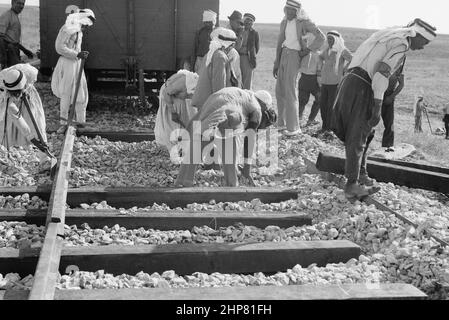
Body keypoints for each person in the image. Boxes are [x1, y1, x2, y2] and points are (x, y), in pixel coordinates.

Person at [331, 18, 436, 200]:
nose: (423, 47)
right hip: (363, 86)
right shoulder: (401, 44)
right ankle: (352, 185)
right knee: (359, 132)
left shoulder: (388, 37)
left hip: (351, 81)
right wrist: (378, 105)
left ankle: (361, 173)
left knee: (366, 133)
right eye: (424, 42)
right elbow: (381, 73)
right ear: (416, 35)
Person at [175, 88, 277, 187]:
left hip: (211, 104)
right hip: (230, 115)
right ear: (264, 105)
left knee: (198, 145)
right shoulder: (257, 108)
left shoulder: (241, 94)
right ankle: (232, 184)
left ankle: (182, 181)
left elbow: (197, 117)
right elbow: (250, 138)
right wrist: (247, 168)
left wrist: (184, 137)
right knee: (228, 148)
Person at [273, 0, 325, 136]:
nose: (288, 12)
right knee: (280, 90)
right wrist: (276, 63)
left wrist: (307, 50)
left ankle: (293, 127)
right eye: (286, 9)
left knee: (290, 91)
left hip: (294, 56)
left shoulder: (304, 22)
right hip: (283, 54)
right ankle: (281, 124)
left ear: (297, 11)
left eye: (292, 10)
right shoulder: (284, 22)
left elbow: (321, 37)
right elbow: (280, 42)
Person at [51, 9, 95, 132]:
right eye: (86, 23)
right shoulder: (68, 28)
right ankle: (63, 124)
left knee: (80, 93)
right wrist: (76, 54)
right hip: (67, 64)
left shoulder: (79, 30)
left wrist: (80, 54)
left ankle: (81, 123)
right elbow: (59, 47)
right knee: (66, 94)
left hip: (76, 64)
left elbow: (77, 49)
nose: (86, 26)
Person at [0, 67, 52, 170]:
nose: (16, 95)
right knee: (2, 125)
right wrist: (31, 138)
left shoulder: (31, 73)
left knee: (38, 123)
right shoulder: (3, 83)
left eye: (17, 92)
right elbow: (17, 117)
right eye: (14, 93)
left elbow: (31, 124)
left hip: (29, 94)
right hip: (7, 96)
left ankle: (45, 158)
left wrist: (37, 140)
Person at [190, 27, 237, 110]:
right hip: (211, 105)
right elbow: (218, 84)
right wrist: (220, 106)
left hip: (204, 101)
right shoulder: (220, 57)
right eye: (232, 45)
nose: (232, 48)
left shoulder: (211, 54)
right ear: (228, 44)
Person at [155, 70, 199, 152]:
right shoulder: (183, 83)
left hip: (178, 98)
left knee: (184, 119)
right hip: (167, 96)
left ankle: (183, 144)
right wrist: (173, 112)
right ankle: (173, 147)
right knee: (171, 123)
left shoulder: (197, 87)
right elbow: (166, 93)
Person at [319, 31, 352, 133]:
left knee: (331, 106)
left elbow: (352, 59)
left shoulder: (342, 51)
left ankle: (330, 128)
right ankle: (324, 126)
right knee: (323, 105)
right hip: (324, 81)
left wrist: (345, 69)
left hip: (335, 83)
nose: (329, 41)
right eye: (328, 39)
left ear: (336, 40)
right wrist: (321, 66)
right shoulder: (327, 50)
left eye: (331, 39)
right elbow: (320, 57)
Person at [0, 0, 33, 69]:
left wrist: (25, 50)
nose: (21, 6)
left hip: (14, 51)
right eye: (18, 3)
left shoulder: (14, 15)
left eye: (23, 4)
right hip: (8, 52)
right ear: (12, 3)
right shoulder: (7, 15)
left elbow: (12, 39)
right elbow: (0, 37)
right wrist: (4, 58)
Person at [298, 33, 322, 127]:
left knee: (302, 100)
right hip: (313, 80)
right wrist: (320, 85)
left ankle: (299, 118)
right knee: (319, 99)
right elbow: (319, 71)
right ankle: (310, 120)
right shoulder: (318, 55)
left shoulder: (303, 52)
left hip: (303, 79)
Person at [381, 66, 405, 152]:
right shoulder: (386, 63)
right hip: (377, 92)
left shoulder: (399, 69)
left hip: (389, 95)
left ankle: (388, 145)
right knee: (370, 118)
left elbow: (401, 84)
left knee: (389, 122)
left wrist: (391, 97)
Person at [238, 13, 260, 90]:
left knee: (247, 82)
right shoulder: (239, 30)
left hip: (248, 59)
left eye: (250, 21)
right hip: (237, 57)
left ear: (252, 23)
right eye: (246, 20)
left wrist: (251, 54)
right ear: (243, 21)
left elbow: (257, 48)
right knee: (237, 79)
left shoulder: (254, 33)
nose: (248, 23)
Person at [192, 10, 217, 74]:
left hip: (212, 60)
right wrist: (193, 62)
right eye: (206, 22)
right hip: (200, 59)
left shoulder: (217, 32)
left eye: (209, 22)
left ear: (213, 22)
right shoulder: (200, 32)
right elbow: (195, 48)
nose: (207, 24)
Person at [226, 10, 243, 88]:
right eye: (237, 22)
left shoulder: (236, 32)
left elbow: (238, 48)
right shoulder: (226, 33)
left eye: (240, 23)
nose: (239, 25)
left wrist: (239, 35)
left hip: (235, 61)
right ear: (231, 21)